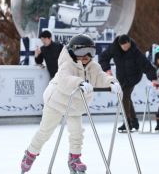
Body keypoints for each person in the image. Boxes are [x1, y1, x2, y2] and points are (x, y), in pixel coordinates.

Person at [20, 34, 122, 174]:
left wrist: (112, 83)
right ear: (72, 52)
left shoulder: (93, 66)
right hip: (56, 101)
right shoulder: (66, 64)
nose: (86, 56)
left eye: (90, 52)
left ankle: (74, 158)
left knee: (77, 132)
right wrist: (78, 82)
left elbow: (101, 77)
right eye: (81, 52)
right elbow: (64, 80)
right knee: (45, 131)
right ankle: (30, 153)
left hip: (75, 104)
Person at [99, 34, 157, 132]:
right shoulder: (114, 48)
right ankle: (134, 121)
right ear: (119, 45)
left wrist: (153, 78)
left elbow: (145, 64)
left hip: (134, 77)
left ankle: (128, 122)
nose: (126, 48)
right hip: (121, 77)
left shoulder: (135, 51)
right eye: (123, 46)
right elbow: (103, 57)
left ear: (129, 43)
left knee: (124, 96)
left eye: (127, 45)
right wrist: (107, 69)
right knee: (126, 98)